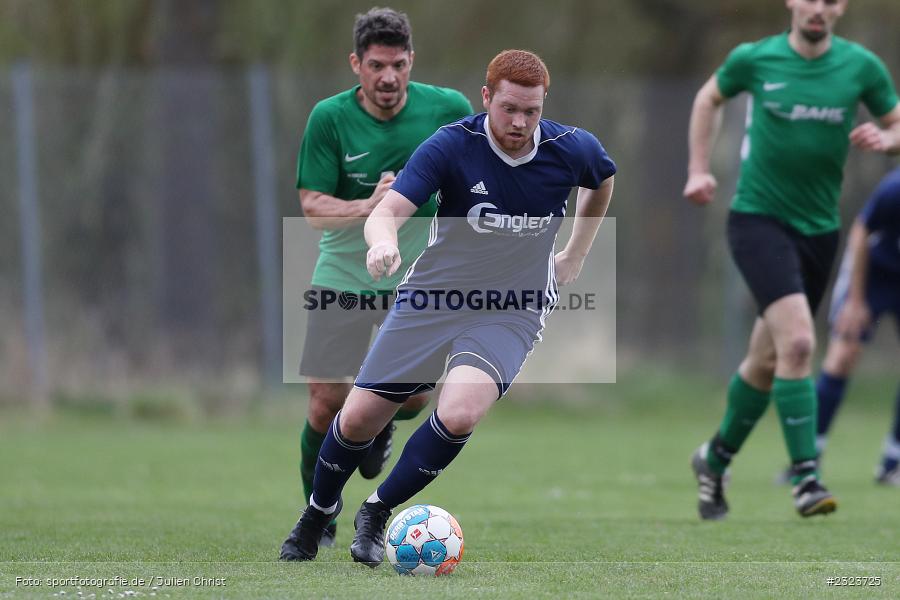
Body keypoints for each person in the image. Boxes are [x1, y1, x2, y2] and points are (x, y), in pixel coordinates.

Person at [280, 49, 616, 565]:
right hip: (433, 299)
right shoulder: (453, 145)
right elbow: (387, 212)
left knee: (458, 413)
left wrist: (573, 254)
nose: (521, 122)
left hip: (512, 309)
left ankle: (376, 511)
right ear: (487, 99)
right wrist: (381, 242)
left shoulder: (572, 149)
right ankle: (317, 511)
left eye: (532, 111)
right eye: (509, 108)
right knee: (355, 421)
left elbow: (602, 180)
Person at [683, 0, 900, 520]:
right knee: (800, 341)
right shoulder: (755, 59)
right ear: (792, 3)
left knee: (767, 359)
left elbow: (898, 127)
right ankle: (806, 477)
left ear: (840, 7)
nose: (818, 8)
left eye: (830, 0)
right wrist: (697, 168)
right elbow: (708, 98)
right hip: (757, 220)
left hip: (819, 231)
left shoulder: (861, 67)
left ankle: (713, 461)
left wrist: (887, 138)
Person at [282, 7, 472, 556]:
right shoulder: (330, 118)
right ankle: (319, 515)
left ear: (411, 62)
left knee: (415, 399)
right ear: (356, 65)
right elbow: (312, 208)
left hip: (418, 279)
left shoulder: (449, 110)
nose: (388, 77)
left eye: (398, 64)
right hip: (342, 272)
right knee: (325, 402)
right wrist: (370, 207)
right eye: (376, 66)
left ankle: (381, 426)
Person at [800, 167, 900, 485]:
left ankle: (893, 461)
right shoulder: (895, 188)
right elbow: (861, 232)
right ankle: (805, 458)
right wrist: (856, 301)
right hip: (874, 271)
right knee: (844, 353)